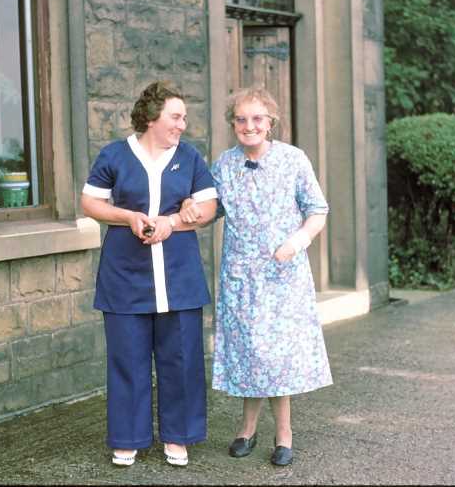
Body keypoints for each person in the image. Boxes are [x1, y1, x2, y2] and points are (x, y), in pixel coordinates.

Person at [180, 86, 332, 466]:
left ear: (270, 122)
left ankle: (284, 434)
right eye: (241, 119)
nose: (249, 126)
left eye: (257, 118)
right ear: (233, 124)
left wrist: (296, 242)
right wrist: (189, 206)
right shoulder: (224, 165)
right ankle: (247, 429)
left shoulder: (293, 160)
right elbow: (211, 210)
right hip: (241, 278)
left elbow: (317, 210)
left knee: (275, 356)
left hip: (283, 276)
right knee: (250, 352)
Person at [81, 80, 217, 467]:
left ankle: (178, 436)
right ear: (152, 117)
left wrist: (174, 221)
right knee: (128, 359)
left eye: (184, 118)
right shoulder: (114, 155)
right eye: (176, 117)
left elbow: (209, 208)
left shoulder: (190, 157)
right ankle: (127, 438)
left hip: (179, 277)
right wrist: (129, 217)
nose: (182, 125)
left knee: (182, 359)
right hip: (125, 276)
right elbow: (90, 202)